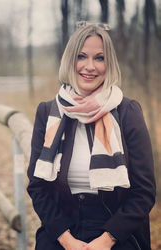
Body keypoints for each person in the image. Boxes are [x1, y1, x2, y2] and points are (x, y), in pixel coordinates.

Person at [27, 21, 156, 250]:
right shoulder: (47, 112)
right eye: (81, 56)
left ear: (109, 64)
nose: (90, 66)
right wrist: (66, 240)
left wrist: (107, 240)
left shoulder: (127, 112)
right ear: (70, 60)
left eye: (99, 58)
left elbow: (144, 192)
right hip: (62, 227)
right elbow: (38, 187)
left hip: (117, 229)